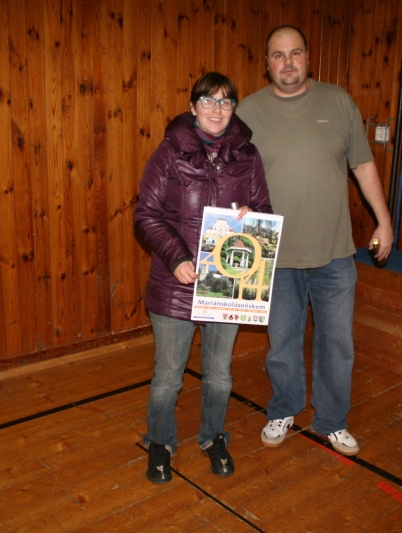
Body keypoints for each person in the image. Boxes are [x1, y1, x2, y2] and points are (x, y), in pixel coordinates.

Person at [236, 25, 393, 456]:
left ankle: (332, 420)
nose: (288, 62)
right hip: (275, 254)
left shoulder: (338, 101)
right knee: (282, 343)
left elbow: (363, 165)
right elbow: (233, 173)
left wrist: (384, 222)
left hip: (334, 253)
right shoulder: (248, 111)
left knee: (337, 344)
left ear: (308, 58)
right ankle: (284, 409)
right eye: (278, 55)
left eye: (295, 53)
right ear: (267, 64)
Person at [134, 72, 272, 483]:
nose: (217, 109)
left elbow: (265, 210)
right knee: (167, 377)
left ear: (234, 109)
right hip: (175, 283)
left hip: (226, 285)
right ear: (193, 107)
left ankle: (213, 437)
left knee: (220, 375)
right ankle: (160, 442)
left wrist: (254, 217)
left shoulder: (248, 155)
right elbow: (146, 215)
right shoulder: (168, 153)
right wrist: (176, 256)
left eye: (226, 101)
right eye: (208, 100)